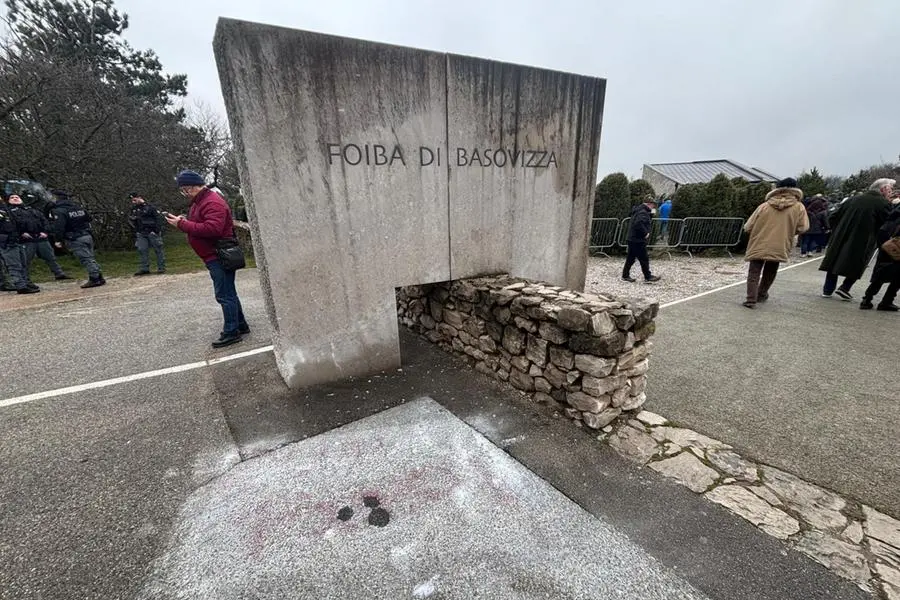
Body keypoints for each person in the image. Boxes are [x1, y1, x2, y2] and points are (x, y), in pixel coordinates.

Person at [166, 170, 249, 348]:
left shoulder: (212, 202)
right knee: (229, 292)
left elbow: (213, 229)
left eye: (187, 189)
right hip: (213, 254)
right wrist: (185, 220)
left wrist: (182, 224)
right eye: (183, 191)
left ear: (197, 185)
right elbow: (201, 222)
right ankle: (240, 325)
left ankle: (231, 331)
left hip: (218, 254)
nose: (186, 193)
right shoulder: (200, 201)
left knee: (224, 295)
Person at [819, 178, 893, 300]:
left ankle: (828, 289)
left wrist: (836, 229)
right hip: (865, 238)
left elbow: (833, 216)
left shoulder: (852, 199)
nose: (891, 192)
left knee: (834, 260)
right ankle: (845, 287)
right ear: (883, 189)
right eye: (890, 189)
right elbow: (887, 224)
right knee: (859, 263)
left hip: (841, 234)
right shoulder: (882, 204)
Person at [741, 178, 809, 308]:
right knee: (771, 270)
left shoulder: (764, 206)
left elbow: (748, 226)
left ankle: (750, 299)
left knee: (754, 271)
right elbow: (803, 227)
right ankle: (762, 294)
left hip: (759, 241)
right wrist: (789, 231)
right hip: (781, 243)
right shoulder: (799, 207)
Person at [48, 190, 105, 288]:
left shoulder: (59, 211)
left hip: (74, 238)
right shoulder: (77, 207)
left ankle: (94, 278)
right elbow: (89, 218)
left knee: (86, 259)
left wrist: (58, 240)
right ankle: (99, 277)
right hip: (87, 235)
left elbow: (59, 227)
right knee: (90, 257)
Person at [7, 194, 71, 281]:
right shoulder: (9, 212)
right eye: (12, 198)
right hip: (26, 240)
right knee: (25, 261)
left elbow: (44, 220)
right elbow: (11, 226)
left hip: (41, 237)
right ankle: (25, 279)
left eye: (17, 197)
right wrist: (21, 233)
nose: (15, 198)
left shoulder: (32, 209)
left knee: (50, 257)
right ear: (8, 201)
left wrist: (45, 232)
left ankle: (59, 274)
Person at [860, 202, 900, 311]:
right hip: (897, 245)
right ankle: (886, 301)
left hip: (885, 242)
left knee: (881, 272)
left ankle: (867, 299)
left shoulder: (893, 213)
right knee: (897, 277)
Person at [0, 195, 39, 294]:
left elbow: (16, 223)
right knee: (14, 265)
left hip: (16, 240)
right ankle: (20, 285)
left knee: (23, 263)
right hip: (7, 242)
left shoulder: (5, 209)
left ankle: (25, 283)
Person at [621, 196, 661, 284]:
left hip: (632, 238)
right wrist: (645, 233)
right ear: (649, 204)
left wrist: (650, 214)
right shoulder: (643, 212)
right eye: (653, 205)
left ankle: (625, 275)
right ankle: (648, 276)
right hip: (638, 239)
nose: (653, 207)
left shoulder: (639, 210)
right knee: (644, 258)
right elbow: (638, 223)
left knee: (630, 258)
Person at [128, 192, 166, 276]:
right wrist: (136, 229)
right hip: (141, 232)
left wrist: (156, 230)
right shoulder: (134, 209)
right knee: (142, 250)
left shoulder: (150, 207)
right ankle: (144, 268)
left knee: (158, 249)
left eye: (134, 200)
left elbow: (158, 219)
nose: (133, 202)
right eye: (132, 201)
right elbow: (132, 220)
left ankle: (161, 267)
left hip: (152, 231)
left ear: (139, 197)